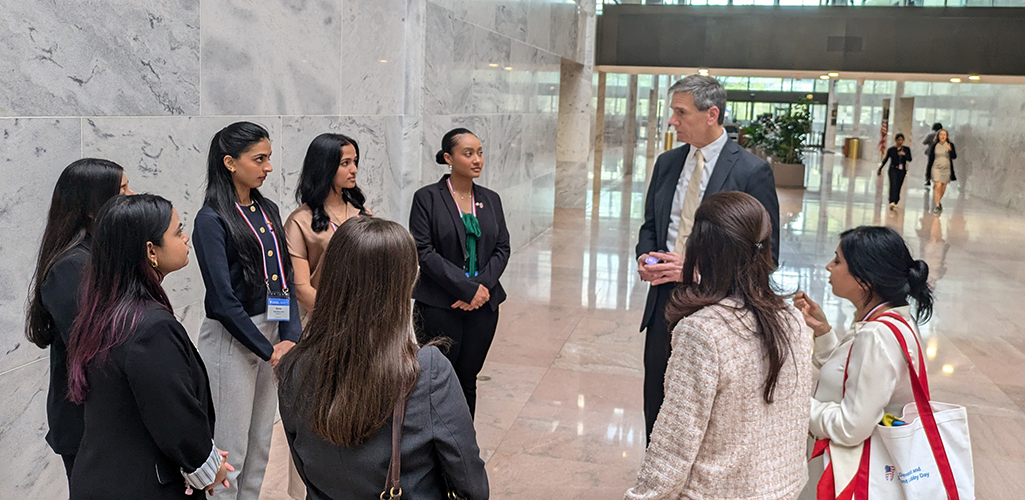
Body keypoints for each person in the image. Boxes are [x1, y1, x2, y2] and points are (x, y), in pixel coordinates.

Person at [277, 217, 489, 499]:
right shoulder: (426, 371)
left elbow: (305, 467)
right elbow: (471, 485)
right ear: (401, 287)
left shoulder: (292, 367)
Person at [626, 192, 813, 500]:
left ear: (702, 250)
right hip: (783, 488)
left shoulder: (702, 333)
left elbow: (673, 446)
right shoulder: (791, 318)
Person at [635, 75, 781, 441]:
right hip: (664, 304)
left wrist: (697, 269)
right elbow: (651, 225)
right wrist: (646, 257)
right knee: (657, 398)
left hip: (717, 304)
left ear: (711, 114)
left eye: (681, 113)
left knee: (703, 409)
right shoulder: (667, 163)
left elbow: (767, 253)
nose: (673, 121)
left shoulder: (750, 171)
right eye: (672, 112)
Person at [66, 194, 231, 499]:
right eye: (178, 231)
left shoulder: (104, 311)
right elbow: (175, 415)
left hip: (103, 476)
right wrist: (208, 467)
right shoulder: (150, 328)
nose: (186, 239)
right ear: (151, 251)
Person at [193, 121, 301, 500]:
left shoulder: (267, 207)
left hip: (272, 334)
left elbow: (283, 279)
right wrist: (270, 349)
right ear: (229, 162)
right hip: (232, 339)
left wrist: (289, 338)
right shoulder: (211, 219)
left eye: (269, 158)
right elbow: (222, 301)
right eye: (259, 159)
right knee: (230, 450)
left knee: (260, 445)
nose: (268, 167)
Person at [793, 226, 933, 496]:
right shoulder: (895, 319)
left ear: (864, 279)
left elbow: (850, 427)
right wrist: (823, 332)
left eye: (837, 261)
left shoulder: (876, 335)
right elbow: (852, 376)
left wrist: (795, 403)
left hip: (856, 476)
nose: (828, 267)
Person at [25, 159, 132, 481]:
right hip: (86, 420)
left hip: (106, 417)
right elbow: (98, 344)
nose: (132, 196)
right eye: (122, 190)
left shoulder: (98, 253)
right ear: (90, 208)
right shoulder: (69, 268)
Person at [409, 127, 510, 418]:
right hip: (440, 304)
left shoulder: (490, 199)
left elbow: (502, 248)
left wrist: (479, 289)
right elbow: (424, 251)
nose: (477, 159)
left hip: (484, 305)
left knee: (468, 378)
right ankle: (434, 447)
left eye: (479, 153)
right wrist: (465, 289)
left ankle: (463, 449)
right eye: (468, 153)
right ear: (448, 158)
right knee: (440, 379)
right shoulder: (427, 198)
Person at [285, 132, 372, 321]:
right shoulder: (299, 221)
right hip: (321, 322)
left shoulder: (364, 213)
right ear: (325, 167)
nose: (354, 170)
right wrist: (340, 317)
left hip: (365, 321)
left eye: (355, 161)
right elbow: (301, 288)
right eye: (345, 163)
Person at [877, 133, 912, 210]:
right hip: (893, 169)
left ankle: (896, 201)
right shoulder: (891, 150)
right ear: (896, 140)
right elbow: (886, 159)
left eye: (901, 140)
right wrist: (880, 168)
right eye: (898, 140)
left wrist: (904, 155)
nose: (900, 141)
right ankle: (891, 201)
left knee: (898, 186)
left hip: (902, 170)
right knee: (893, 184)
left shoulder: (906, 149)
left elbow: (910, 159)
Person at [926, 129, 958, 214]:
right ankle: (937, 205)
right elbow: (930, 159)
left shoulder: (950, 145)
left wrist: (950, 150)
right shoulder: (934, 146)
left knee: (943, 187)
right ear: (938, 136)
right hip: (936, 167)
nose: (943, 136)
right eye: (941, 135)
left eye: (944, 135)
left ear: (947, 136)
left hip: (946, 168)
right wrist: (928, 173)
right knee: (937, 185)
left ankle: (938, 201)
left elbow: (954, 156)